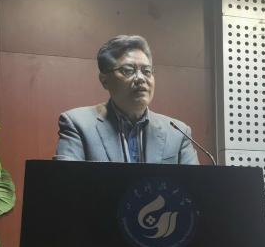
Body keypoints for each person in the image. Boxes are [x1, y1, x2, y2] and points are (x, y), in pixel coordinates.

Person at [54, 35, 199, 164]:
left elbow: (193, 184)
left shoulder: (178, 132)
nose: (140, 78)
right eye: (128, 70)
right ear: (104, 80)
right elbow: (65, 182)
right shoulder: (78, 124)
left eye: (146, 71)